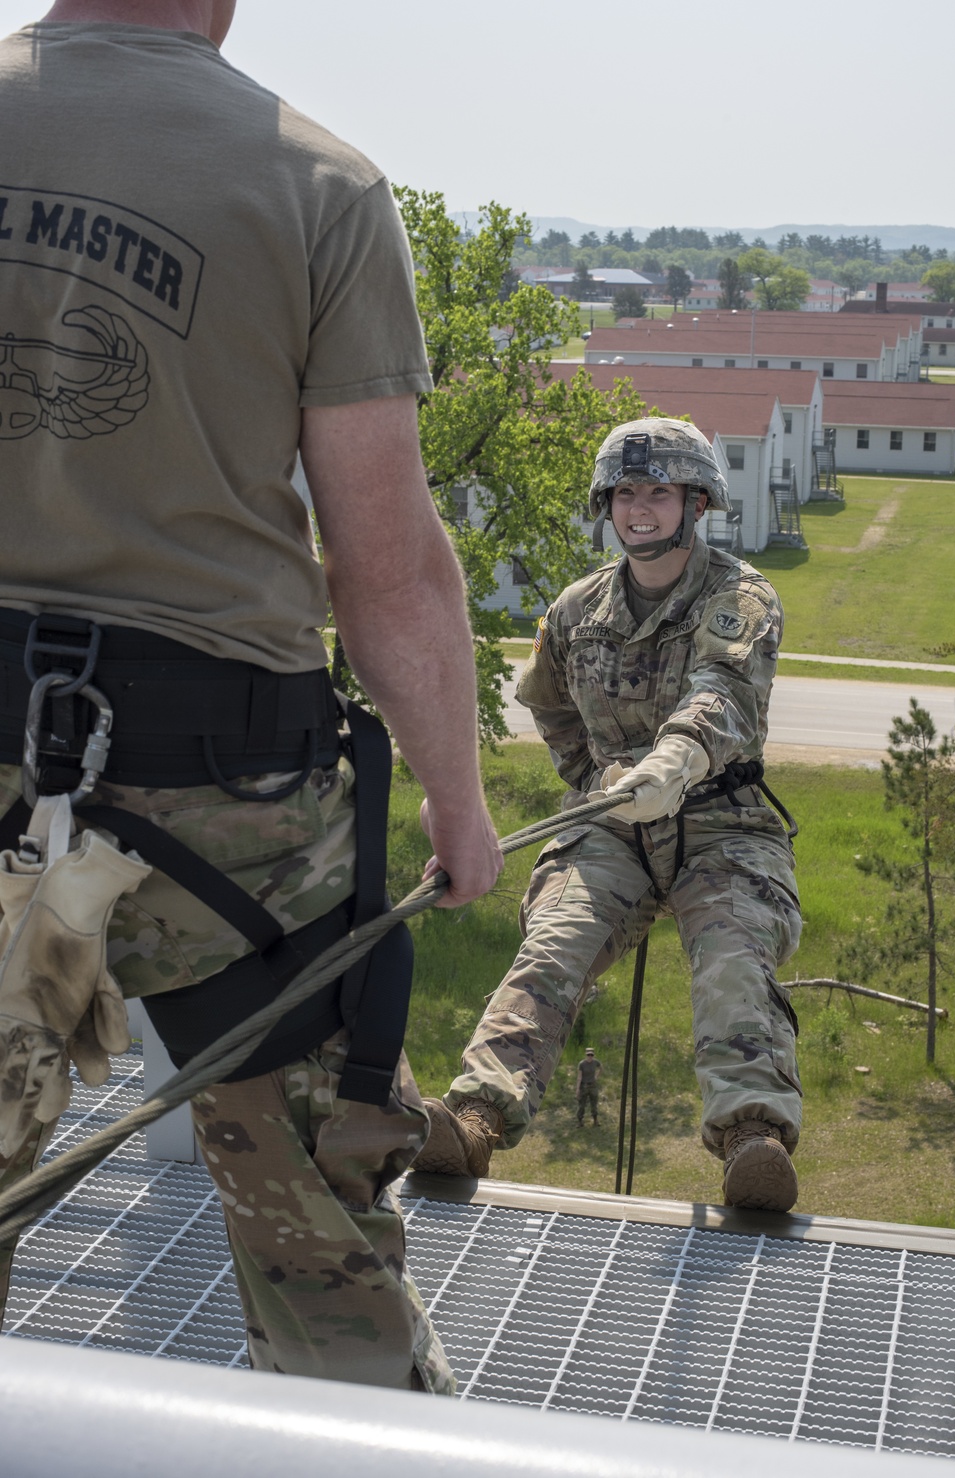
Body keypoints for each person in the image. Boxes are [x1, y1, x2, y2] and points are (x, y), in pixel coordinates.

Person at [0, 0, 502, 1393]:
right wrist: (457, 804)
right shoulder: (314, 185)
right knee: (319, 1247)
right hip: (227, 815)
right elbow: (384, 566)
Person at [415, 418, 803, 1213]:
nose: (640, 509)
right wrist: (597, 779)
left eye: (659, 492)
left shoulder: (738, 596)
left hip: (722, 823)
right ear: (607, 503)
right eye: (627, 492)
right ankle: (476, 1118)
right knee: (552, 949)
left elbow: (722, 693)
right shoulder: (575, 610)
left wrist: (677, 761)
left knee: (733, 961)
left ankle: (751, 1141)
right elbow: (549, 706)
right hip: (611, 825)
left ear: (695, 503)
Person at [575, 1047, 602, 1127]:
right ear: (586, 1055)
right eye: (588, 1055)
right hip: (584, 1086)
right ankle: (580, 1121)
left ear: (593, 1055)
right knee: (582, 1105)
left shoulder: (595, 1062)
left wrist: (596, 1077)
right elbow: (579, 1077)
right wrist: (577, 1089)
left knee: (594, 1104)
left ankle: (595, 1120)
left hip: (593, 1085)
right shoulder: (582, 1064)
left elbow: (601, 1068)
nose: (590, 1056)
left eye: (591, 1055)